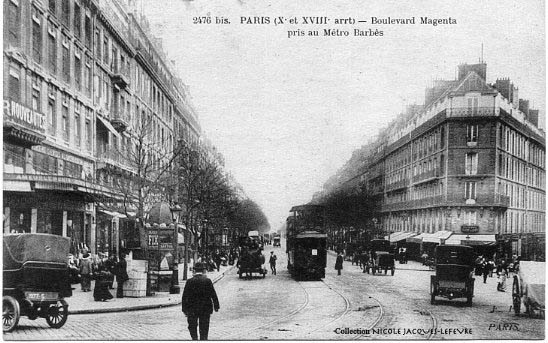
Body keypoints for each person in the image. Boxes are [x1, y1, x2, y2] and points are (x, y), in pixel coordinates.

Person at [181, 262, 220, 340]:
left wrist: (184, 309)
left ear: (194, 271)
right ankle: (203, 339)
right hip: (205, 309)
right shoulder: (207, 281)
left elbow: (184, 296)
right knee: (204, 327)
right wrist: (216, 306)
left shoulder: (189, 281)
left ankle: (194, 339)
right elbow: (213, 294)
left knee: (192, 326)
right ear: (203, 271)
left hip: (192, 309)